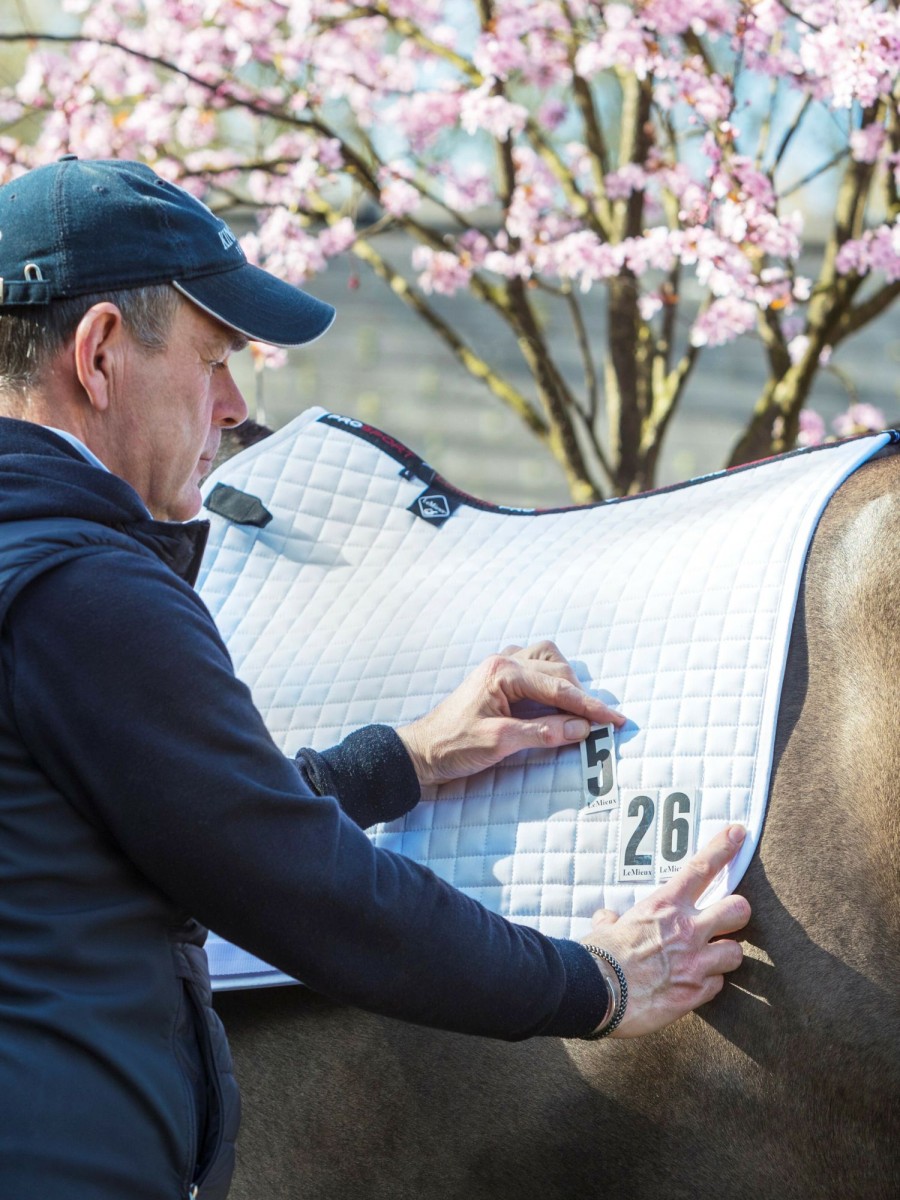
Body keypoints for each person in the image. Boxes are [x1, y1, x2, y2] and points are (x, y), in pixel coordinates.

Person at [0, 157, 750, 1199]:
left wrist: (404, 759)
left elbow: (168, 813)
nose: (230, 406)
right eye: (214, 359)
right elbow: (292, 880)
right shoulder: (82, 591)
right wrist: (599, 981)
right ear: (99, 354)